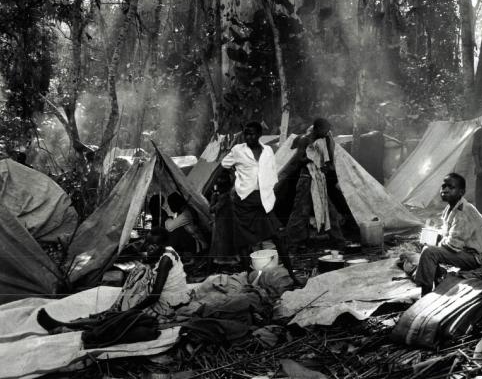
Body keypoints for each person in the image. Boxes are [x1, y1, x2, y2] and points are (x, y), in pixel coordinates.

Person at [37, 227, 190, 330]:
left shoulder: (165, 260)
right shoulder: (165, 250)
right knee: (137, 275)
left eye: (154, 245)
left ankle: (68, 326)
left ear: (163, 245)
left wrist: (132, 309)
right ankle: (99, 316)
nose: (149, 247)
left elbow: (155, 295)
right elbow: (146, 258)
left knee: (118, 318)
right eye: (148, 243)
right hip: (168, 299)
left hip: (167, 307)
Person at [220, 121, 297, 280]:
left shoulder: (268, 150)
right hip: (244, 200)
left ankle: (291, 273)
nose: (249, 137)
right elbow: (224, 164)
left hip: (263, 200)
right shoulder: (238, 150)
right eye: (246, 134)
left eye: (252, 134)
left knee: (277, 236)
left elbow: (272, 171)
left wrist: (269, 188)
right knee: (242, 241)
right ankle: (249, 277)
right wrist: (238, 178)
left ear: (259, 135)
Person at [413, 173, 482, 296]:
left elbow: (453, 245)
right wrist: (434, 237)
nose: (445, 190)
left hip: (480, 259)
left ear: (461, 192)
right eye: (443, 186)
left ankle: (425, 293)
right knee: (430, 246)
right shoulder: (451, 208)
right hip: (469, 253)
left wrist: (435, 240)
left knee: (429, 251)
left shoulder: (464, 211)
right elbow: (447, 233)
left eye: (451, 187)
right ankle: (437, 281)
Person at [285, 118, 345, 248]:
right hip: (306, 179)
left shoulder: (324, 140)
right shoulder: (304, 140)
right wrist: (313, 156)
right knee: (301, 212)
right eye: (325, 130)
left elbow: (327, 163)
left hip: (319, 180)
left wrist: (325, 165)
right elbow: (298, 161)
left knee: (329, 210)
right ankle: (293, 243)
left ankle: (339, 241)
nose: (327, 133)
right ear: (317, 129)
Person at [209, 172, 237, 266]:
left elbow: (213, 209)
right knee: (224, 240)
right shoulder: (226, 196)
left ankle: (223, 259)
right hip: (224, 222)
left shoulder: (224, 196)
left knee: (224, 240)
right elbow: (212, 209)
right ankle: (223, 259)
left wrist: (214, 199)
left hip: (224, 222)